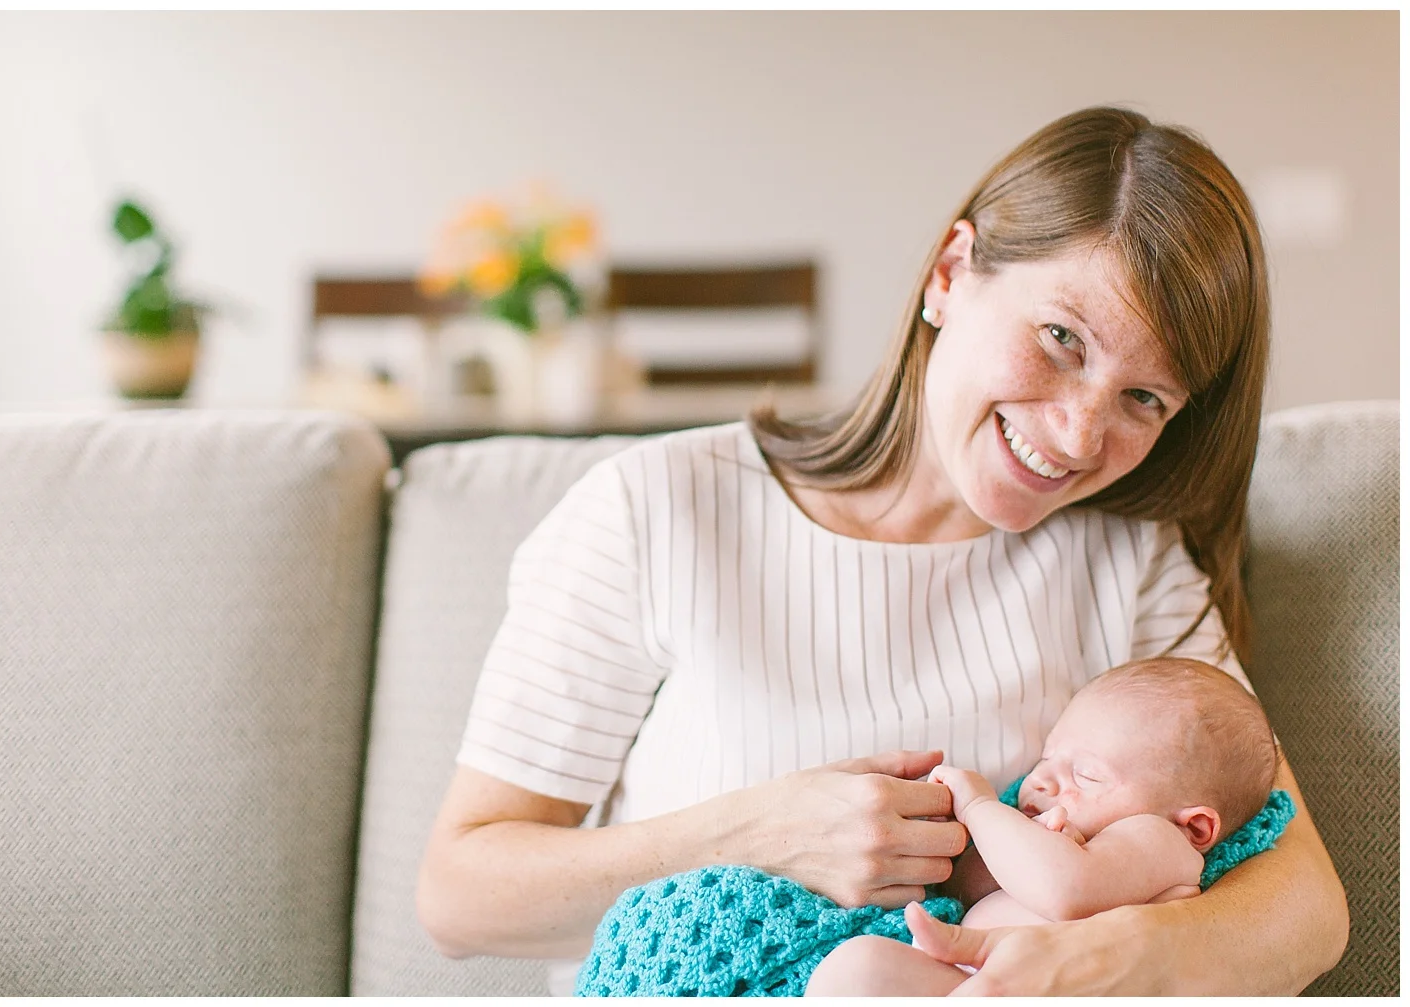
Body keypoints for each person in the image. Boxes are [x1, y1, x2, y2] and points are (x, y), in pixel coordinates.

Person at [417, 105, 1348, 995]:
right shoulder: (658, 509)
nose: (1075, 434)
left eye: (1145, 399)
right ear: (951, 272)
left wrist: (1102, 960)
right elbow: (457, 898)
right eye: (1062, 338)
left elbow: (1304, 907)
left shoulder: (1132, 565)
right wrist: (753, 831)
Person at [804, 657, 1278, 996]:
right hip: (974, 983)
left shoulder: (1159, 841)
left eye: (1086, 775)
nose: (1043, 779)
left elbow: (1065, 889)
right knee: (859, 969)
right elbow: (978, 886)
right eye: (1047, 757)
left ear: (1194, 826)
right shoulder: (1055, 836)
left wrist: (979, 808)